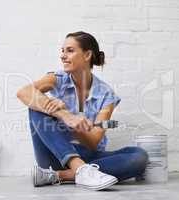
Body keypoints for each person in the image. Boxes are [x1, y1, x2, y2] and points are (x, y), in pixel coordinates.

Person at [17, 31, 148, 190]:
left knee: (139, 156)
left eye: (70, 50)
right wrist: (64, 115)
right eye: (62, 51)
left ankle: (59, 176)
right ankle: (79, 169)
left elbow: (93, 142)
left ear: (87, 55)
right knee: (37, 105)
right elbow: (24, 92)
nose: (63, 56)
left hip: (88, 156)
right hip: (55, 155)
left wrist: (76, 127)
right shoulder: (57, 79)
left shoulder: (106, 96)